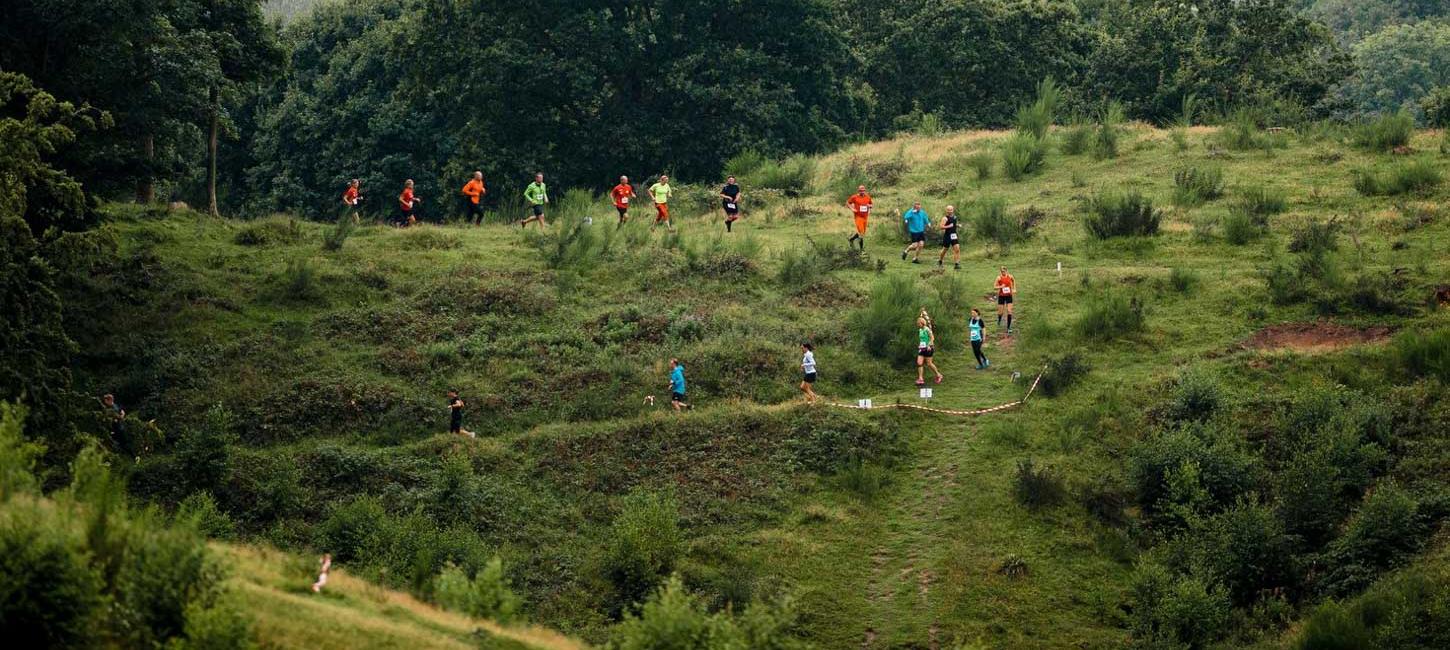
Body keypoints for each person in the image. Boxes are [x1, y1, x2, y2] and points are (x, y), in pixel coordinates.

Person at [916, 312, 943, 386]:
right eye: (917, 324)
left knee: (929, 364)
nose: (918, 325)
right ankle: (921, 379)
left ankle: (938, 375)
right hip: (922, 348)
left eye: (919, 324)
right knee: (919, 363)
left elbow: (932, 338)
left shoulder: (927, 329)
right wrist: (920, 345)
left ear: (922, 323)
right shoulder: (920, 330)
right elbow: (922, 339)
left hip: (929, 348)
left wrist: (928, 345)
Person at [846, 185, 872, 250]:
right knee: (861, 234)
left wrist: (869, 207)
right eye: (861, 191)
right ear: (858, 191)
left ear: (865, 190)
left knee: (862, 232)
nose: (862, 192)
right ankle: (861, 250)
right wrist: (852, 209)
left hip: (865, 217)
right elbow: (848, 203)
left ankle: (851, 239)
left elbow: (871, 204)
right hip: (858, 217)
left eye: (863, 190)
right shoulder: (854, 197)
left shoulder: (868, 197)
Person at [937, 205, 961, 269]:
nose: (950, 211)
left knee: (957, 249)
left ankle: (956, 264)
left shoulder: (954, 217)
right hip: (947, 235)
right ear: (946, 210)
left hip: (954, 235)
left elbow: (953, 224)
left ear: (953, 210)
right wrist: (948, 226)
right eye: (948, 210)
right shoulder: (945, 218)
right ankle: (940, 261)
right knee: (945, 249)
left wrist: (957, 225)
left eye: (951, 210)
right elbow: (941, 227)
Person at [994, 266, 1016, 333]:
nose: (1003, 272)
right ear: (1000, 271)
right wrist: (1001, 286)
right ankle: (999, 320)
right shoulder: (999, 278)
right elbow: (994, 287)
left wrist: (1014, 288)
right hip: (1001, 296)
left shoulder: (1010, 276)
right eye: (1002, 271)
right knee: (1000, 312)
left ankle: (1009, 327)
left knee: (1009, 311)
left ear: (1007, 271)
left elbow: (1014, 280)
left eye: (1004, 271)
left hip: (1009, 295)